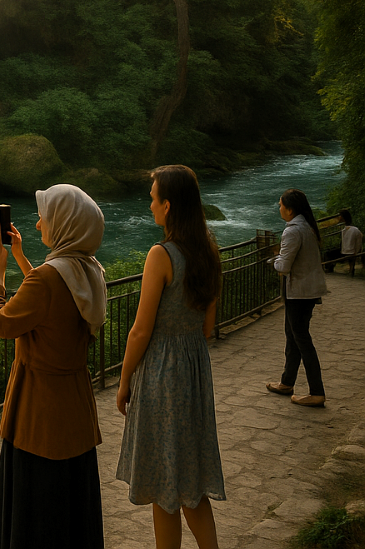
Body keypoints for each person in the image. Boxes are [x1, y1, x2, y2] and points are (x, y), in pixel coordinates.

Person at [0, 184, 105, 549]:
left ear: (66, 224)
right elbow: (51, 302)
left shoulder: (50, 278)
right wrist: (23, 260)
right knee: (69, 509)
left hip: (38, 414)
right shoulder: (87, 270)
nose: (37, 225)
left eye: (44, 217)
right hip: (75, 411)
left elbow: (1, 323)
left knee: (35, 511)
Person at [115, 165, 226, 549]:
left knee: (164, 480)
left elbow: (140, 330)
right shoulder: (209, 252)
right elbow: (207, 328)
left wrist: (125, 379)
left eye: (153, 199)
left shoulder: (161, 255)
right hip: (194, 370)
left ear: (168, 205)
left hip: (162, 373)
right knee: (190, 483)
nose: (150, 206)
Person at [265, 188, 327, 407]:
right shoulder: (307, 226)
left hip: (299, 293)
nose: (279, 208)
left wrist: (273, 261)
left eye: (281, 204)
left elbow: (284, 266)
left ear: (290, 209)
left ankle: (317, 391)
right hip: (307, 291)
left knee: (301, 340)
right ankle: (287, 382)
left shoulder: (292, 231)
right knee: (293, 335)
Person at [338, 210, 361, 276]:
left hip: (349, 250)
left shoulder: (353, 230)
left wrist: (356, 251)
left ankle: (351, 270)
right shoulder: (346, 230)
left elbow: (357, 243)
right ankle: (351, 270)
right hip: (349, 250)